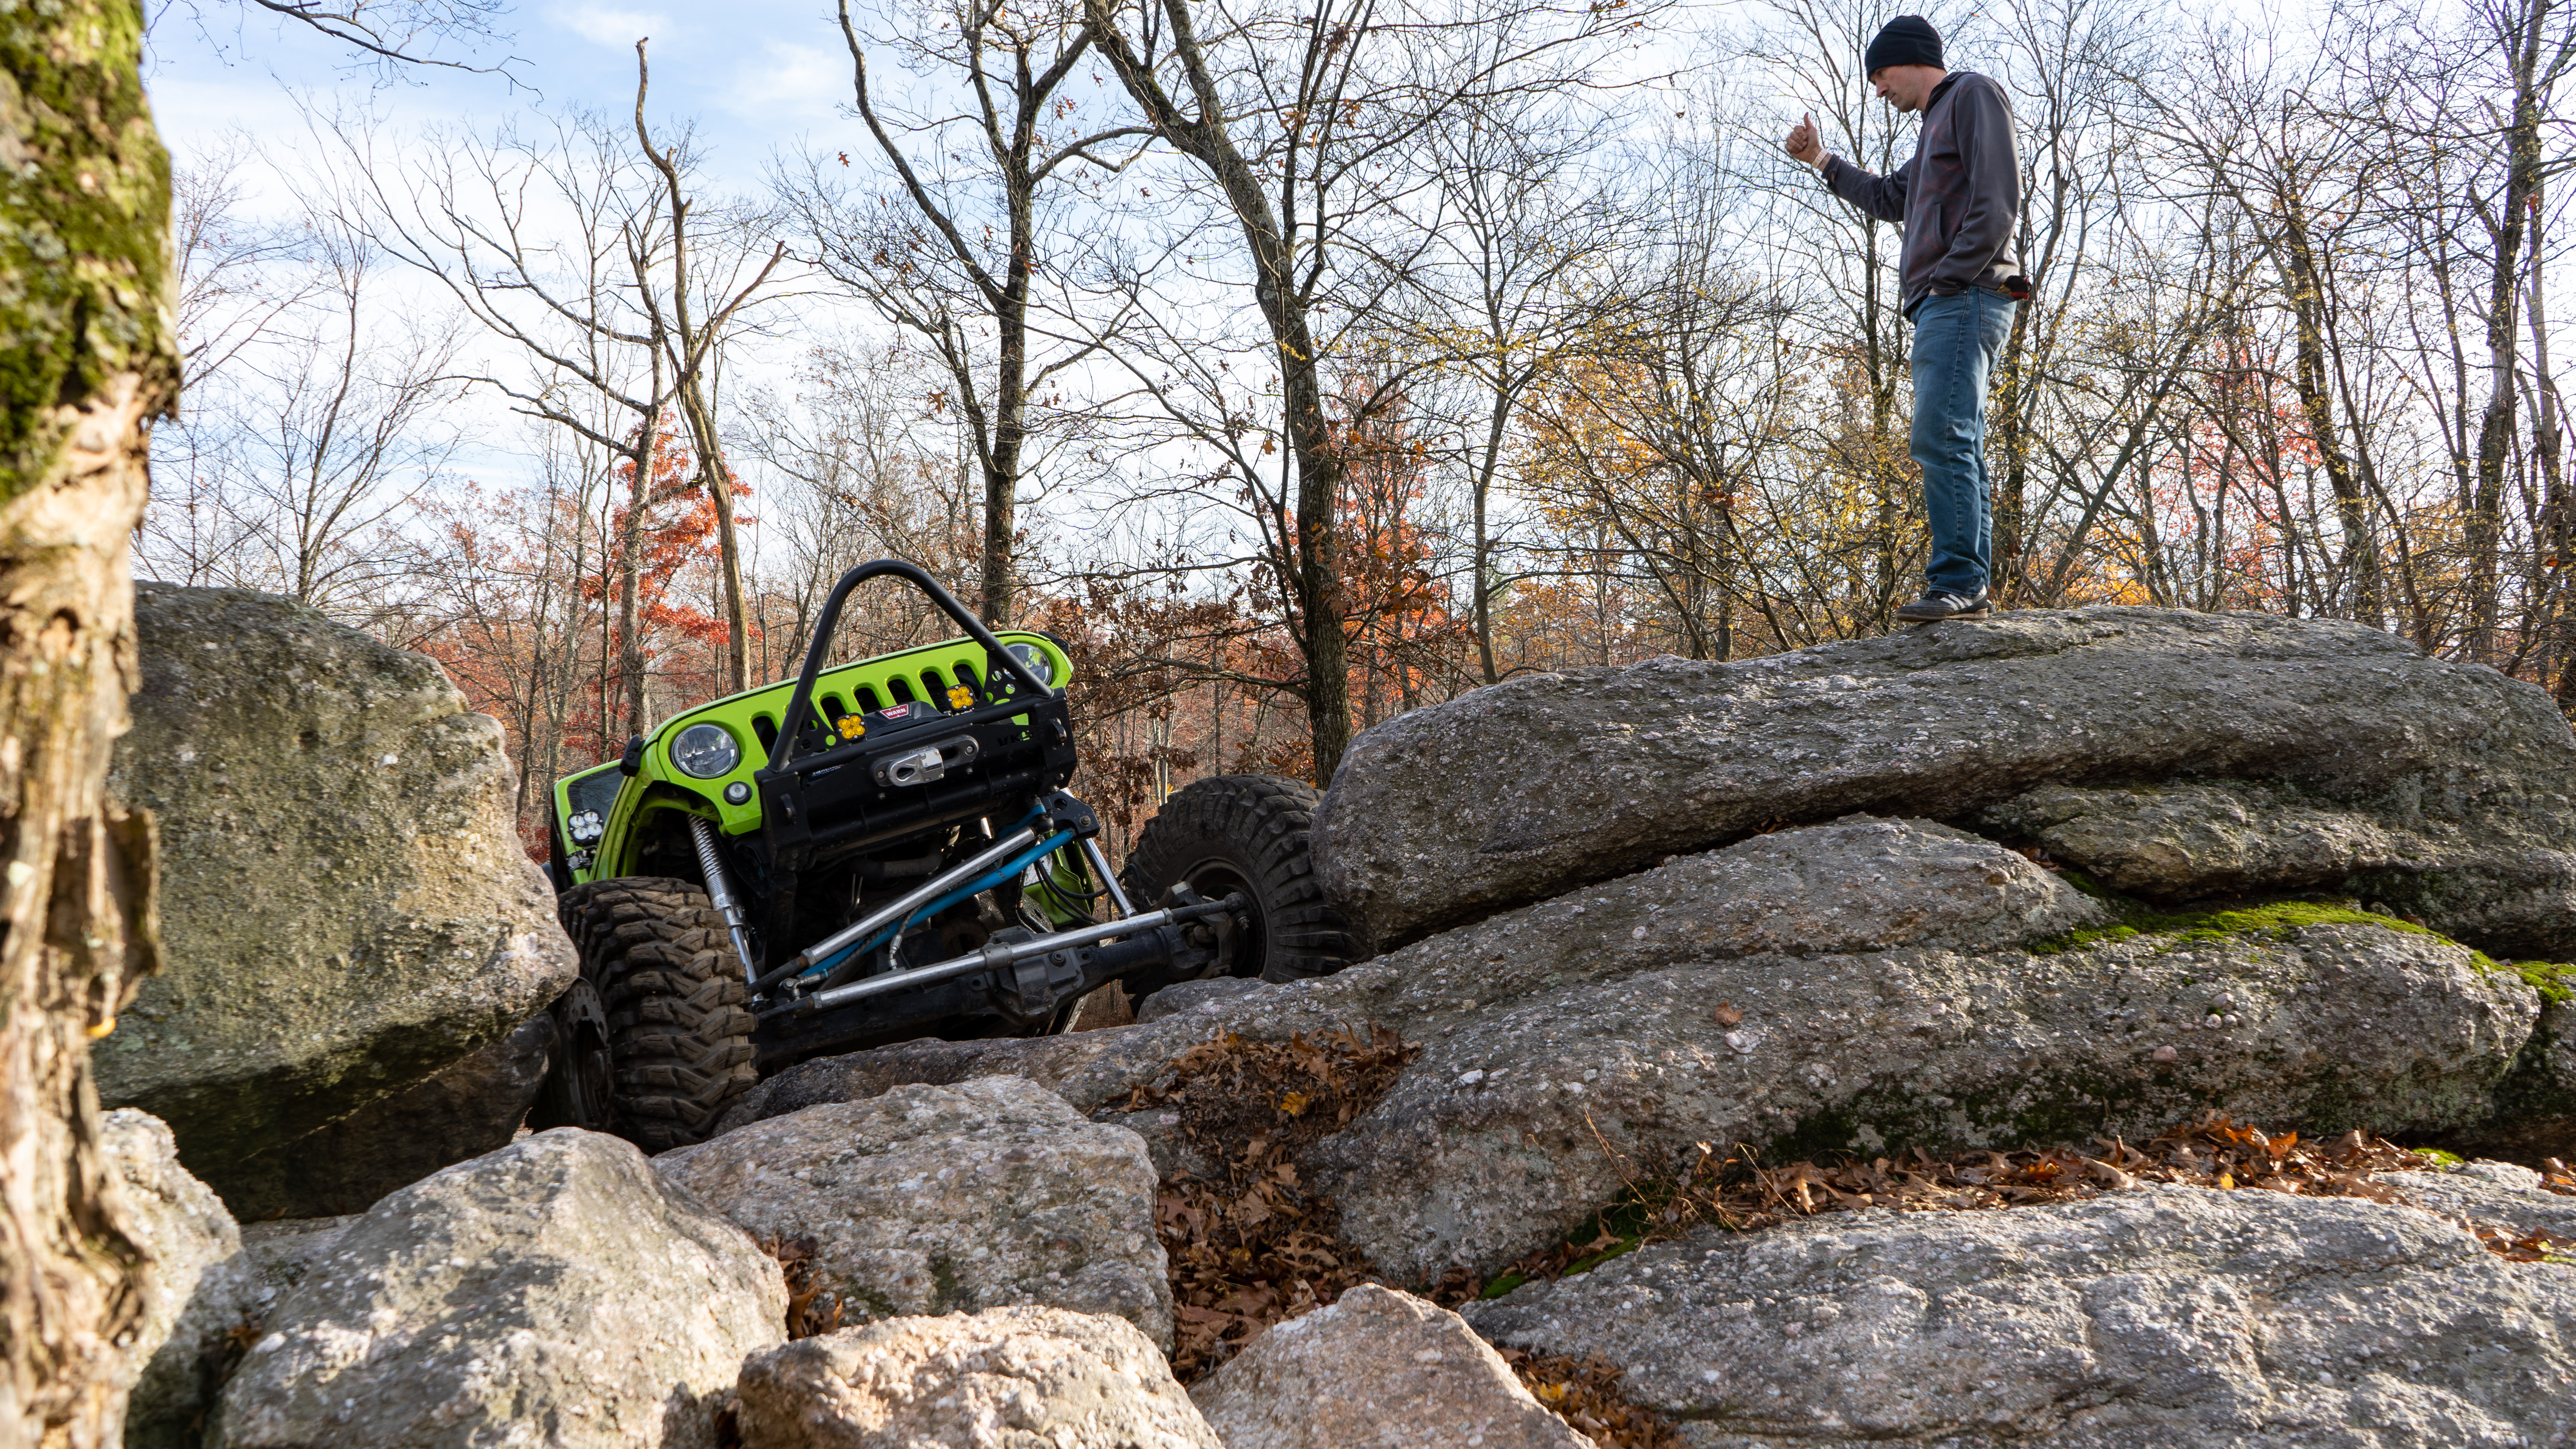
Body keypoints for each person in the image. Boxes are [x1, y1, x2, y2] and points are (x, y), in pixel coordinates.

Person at [1784, 15, 2025, 623]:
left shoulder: (1972, 95)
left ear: (1911, 60)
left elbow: (1999, 200)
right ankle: (1968, 586)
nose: (1879, 91)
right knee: (1959, 440)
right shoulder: (1934, 127)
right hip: (1949, 300)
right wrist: (1822, 160)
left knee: (1940, 435)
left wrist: (1950, 275)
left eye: (1881, 77)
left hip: (1964, 295)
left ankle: (1958, 582)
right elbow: (1893, 198)